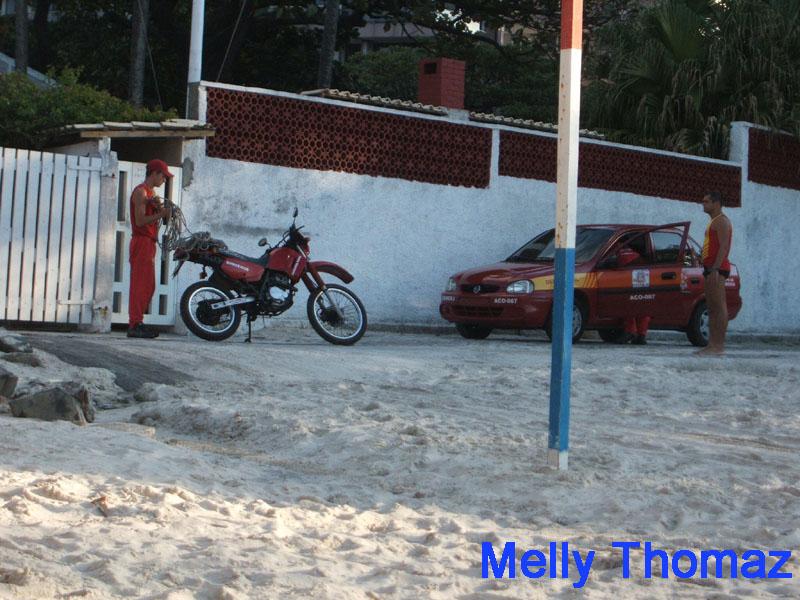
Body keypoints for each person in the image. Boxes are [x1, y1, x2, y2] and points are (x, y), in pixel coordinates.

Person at [127, 159, 173, 338]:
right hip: (141, 241)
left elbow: (160, 216)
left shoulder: (152, 194)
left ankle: (138, 322)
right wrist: (161, 213)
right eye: (163, 176)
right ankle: (134, 324)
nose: (164, 180)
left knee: (148, 286)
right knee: (140, 285)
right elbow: (139, 222)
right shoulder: (140, 192)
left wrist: (162, 209)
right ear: (155, 173)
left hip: (149, 242)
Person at [697, 191, 732, 355]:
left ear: (716, 203)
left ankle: (719, 346)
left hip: (717, 269)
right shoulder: (713, 222)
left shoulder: (722, 221)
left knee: (719, 307)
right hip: (709, 268)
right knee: (711, 308)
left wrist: (715, 269)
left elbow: (724, 247)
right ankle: (711, 345)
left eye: (706, 201)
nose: (703, 204)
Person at [617, 246, 651, 345]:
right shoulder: (639, 254)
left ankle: (630, 331)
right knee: (643, 308)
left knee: (628, 306)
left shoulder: (620, 253)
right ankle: (641, 335)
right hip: (644, 279)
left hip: (628, 281)